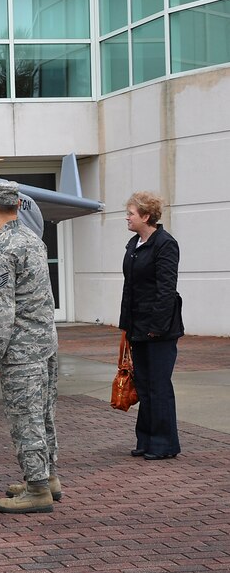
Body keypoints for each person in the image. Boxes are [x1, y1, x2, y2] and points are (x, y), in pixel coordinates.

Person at [0, 181, 59, 514]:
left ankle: (38, 489)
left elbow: (1, 310)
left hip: (22, 350)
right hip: (45, 344)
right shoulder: (32, 240)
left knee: (25, 419)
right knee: (43, 415)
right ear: (17, 205)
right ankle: (46, 477)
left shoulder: (1, 249)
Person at [119, 191, 183, 460]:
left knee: (158, 385)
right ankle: (145, 439)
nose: (127, 217)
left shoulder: (165, 244)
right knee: (143, 385)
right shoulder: (134, 244)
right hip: (137, 326)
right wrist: (126, 327)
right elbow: (130, 288)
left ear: (146, 216)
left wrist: (156, 327)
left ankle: (164, 443)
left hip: (160, 329)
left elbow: (166, 290)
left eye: (131, 213)